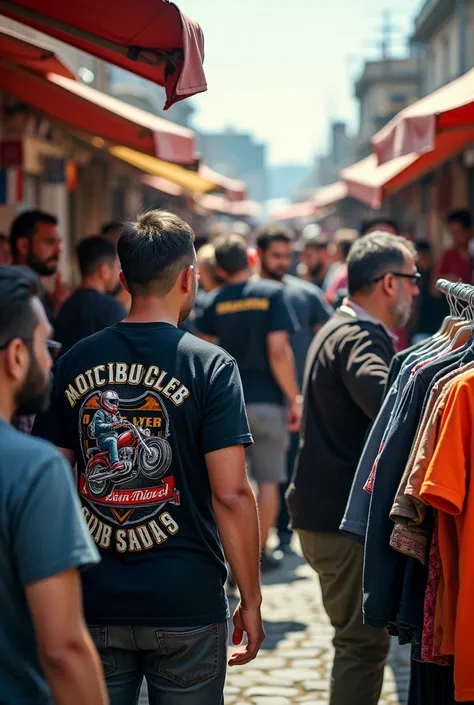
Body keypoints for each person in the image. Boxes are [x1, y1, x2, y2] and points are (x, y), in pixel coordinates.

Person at [33, 210, 264, 705]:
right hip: (186, 601)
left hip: (94, 598)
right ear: (189, 278)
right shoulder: (211, 367)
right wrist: (252, 598)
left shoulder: (72, 361)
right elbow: (231, 493)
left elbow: (50, 484)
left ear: (123, 280)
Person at [287, 232, 419, 705]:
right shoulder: (358, 338)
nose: (417, 290)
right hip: (340, 523)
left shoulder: (341, 326)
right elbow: (386, 402)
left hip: (324, 514)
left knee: (357, 643)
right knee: (362, 646)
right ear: (389, 283)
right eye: (413, 279)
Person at [0, 265, 107, 705]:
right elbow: (63, 648)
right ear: (17, 356)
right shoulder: (33, 467)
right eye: (46, 343)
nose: (52, 358)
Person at [197, 232, 301, 570]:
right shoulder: (273, 293)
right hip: (268, 401)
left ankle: (231, 554)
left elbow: (203, 351)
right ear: (252, 259)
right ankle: (257, 554)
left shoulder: (214, 300)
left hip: (225, 404)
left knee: (229, 486)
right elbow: (278, 351)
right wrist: (294, 397)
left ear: (221, 269)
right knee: (270, 480)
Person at [255, 224, 332, 554]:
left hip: (296, 397)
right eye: (276, 255)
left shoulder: (306, 294)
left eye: (288, 255)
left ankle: (284, 533)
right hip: (258, 395)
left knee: (289, 468)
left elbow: (329, 338)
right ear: (259, 254)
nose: (283, 262)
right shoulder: (246, 295)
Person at [55, 236, 125, 353]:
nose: (119, 272)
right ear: (104, 270)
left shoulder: (65, 307)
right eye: (117, 267)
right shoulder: (111, 308)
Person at [9, 210, 70, 325]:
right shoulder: (9, 292)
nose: (58, 251)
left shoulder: (40, 292)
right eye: (50, 242)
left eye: (58, 243)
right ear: (23, 246)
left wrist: (55, 307)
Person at [411, 241, 447, 342]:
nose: (423, 260)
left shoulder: (436, 274)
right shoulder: (414, 276)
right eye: (420, 256)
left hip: (439, 329)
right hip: (420, 330)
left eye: (425, 256)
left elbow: (435, 292)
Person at [432, 209, 473, 294]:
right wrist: (448, 282)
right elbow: (434, 288)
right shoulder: (448, 255)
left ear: (469, 231)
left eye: (458, 231)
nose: (455, 237)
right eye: (452, 232)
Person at [324, 228, 359, 306]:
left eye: (335, 246)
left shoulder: (346, 273)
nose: (331, 249)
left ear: (343, 250)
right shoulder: (336, 269)